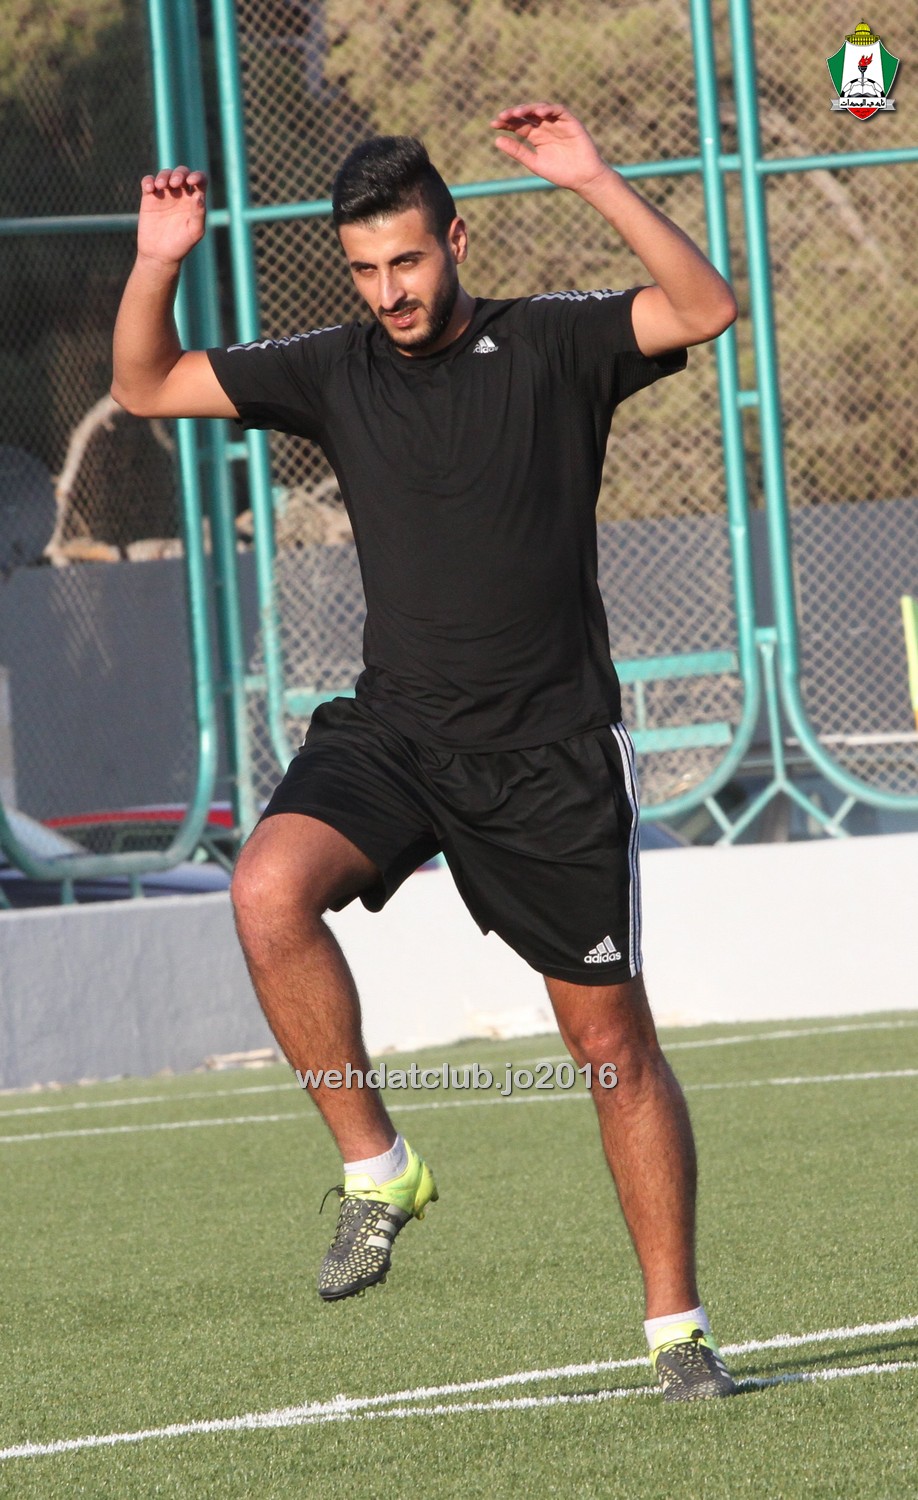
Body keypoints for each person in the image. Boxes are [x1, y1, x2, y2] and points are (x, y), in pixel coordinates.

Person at [112, 102, 738, 1402]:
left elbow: (703, 308)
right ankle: (376, 1166)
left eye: (406, 260)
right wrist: (157, 261)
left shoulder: (553, 341)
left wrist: (593, 177)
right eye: (364, 270)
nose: (388, 291)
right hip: (397, 731)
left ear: (453, 241)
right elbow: (146, 385)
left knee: (611, 1050)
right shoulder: (331, 367)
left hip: (549, 755)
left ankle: (676, 1330)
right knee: (264, 889)